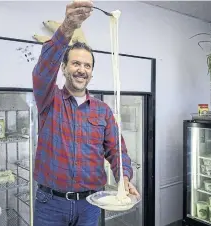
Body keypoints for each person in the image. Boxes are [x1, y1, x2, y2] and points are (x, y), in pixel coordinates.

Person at [32, 1, 139, 225]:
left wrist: (124, 179)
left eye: (87, 66)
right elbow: (42, 71)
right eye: (76, 64)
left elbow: (117, 151)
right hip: (50, 204)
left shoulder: (102, 111)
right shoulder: (49, 99)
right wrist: (68, 27)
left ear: (91, 73)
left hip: (91, 203)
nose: (82, 70)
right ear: (63, 68)